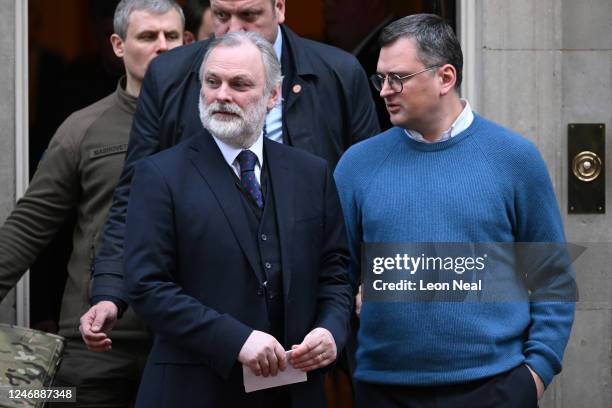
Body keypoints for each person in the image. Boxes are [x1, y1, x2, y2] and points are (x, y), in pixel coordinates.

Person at [80, 0, 378, 356]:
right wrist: (111, 290)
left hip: (311, 304)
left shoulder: (339, 73)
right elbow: (134, 192)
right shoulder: (170, 75)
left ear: (279, 8)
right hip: (206, 305)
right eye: (222, 16)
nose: (234, 28)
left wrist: (363, 288)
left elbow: (369, 192)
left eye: (249, 16)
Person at [334, 14, 575, 408]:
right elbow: (335, 280)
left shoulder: (514, 159)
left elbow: (552, 277)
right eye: (381, 79)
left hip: (494, 387)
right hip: (384, 389)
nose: (385, 91)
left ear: (445, 78)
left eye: (398, 78)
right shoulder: (356, 166)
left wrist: (535, 374)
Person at [123, 31, 353, 407]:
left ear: (274, 96)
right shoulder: (160, 175)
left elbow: (335, 274)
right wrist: (237, 340)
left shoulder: (312, 174)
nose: (222, 95)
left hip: (294, 393)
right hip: (194, 391)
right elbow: (147, 286)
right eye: (212, 82)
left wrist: (331, 330)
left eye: (240, 84)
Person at [0, 0, 184, 406]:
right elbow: (29, 227)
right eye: (147, 36)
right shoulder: (83, 128)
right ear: (118, 45)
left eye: (172, 36)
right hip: (94, 342)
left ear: (189, 43)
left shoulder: (213, 126)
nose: (162, 47)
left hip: (183, 339)